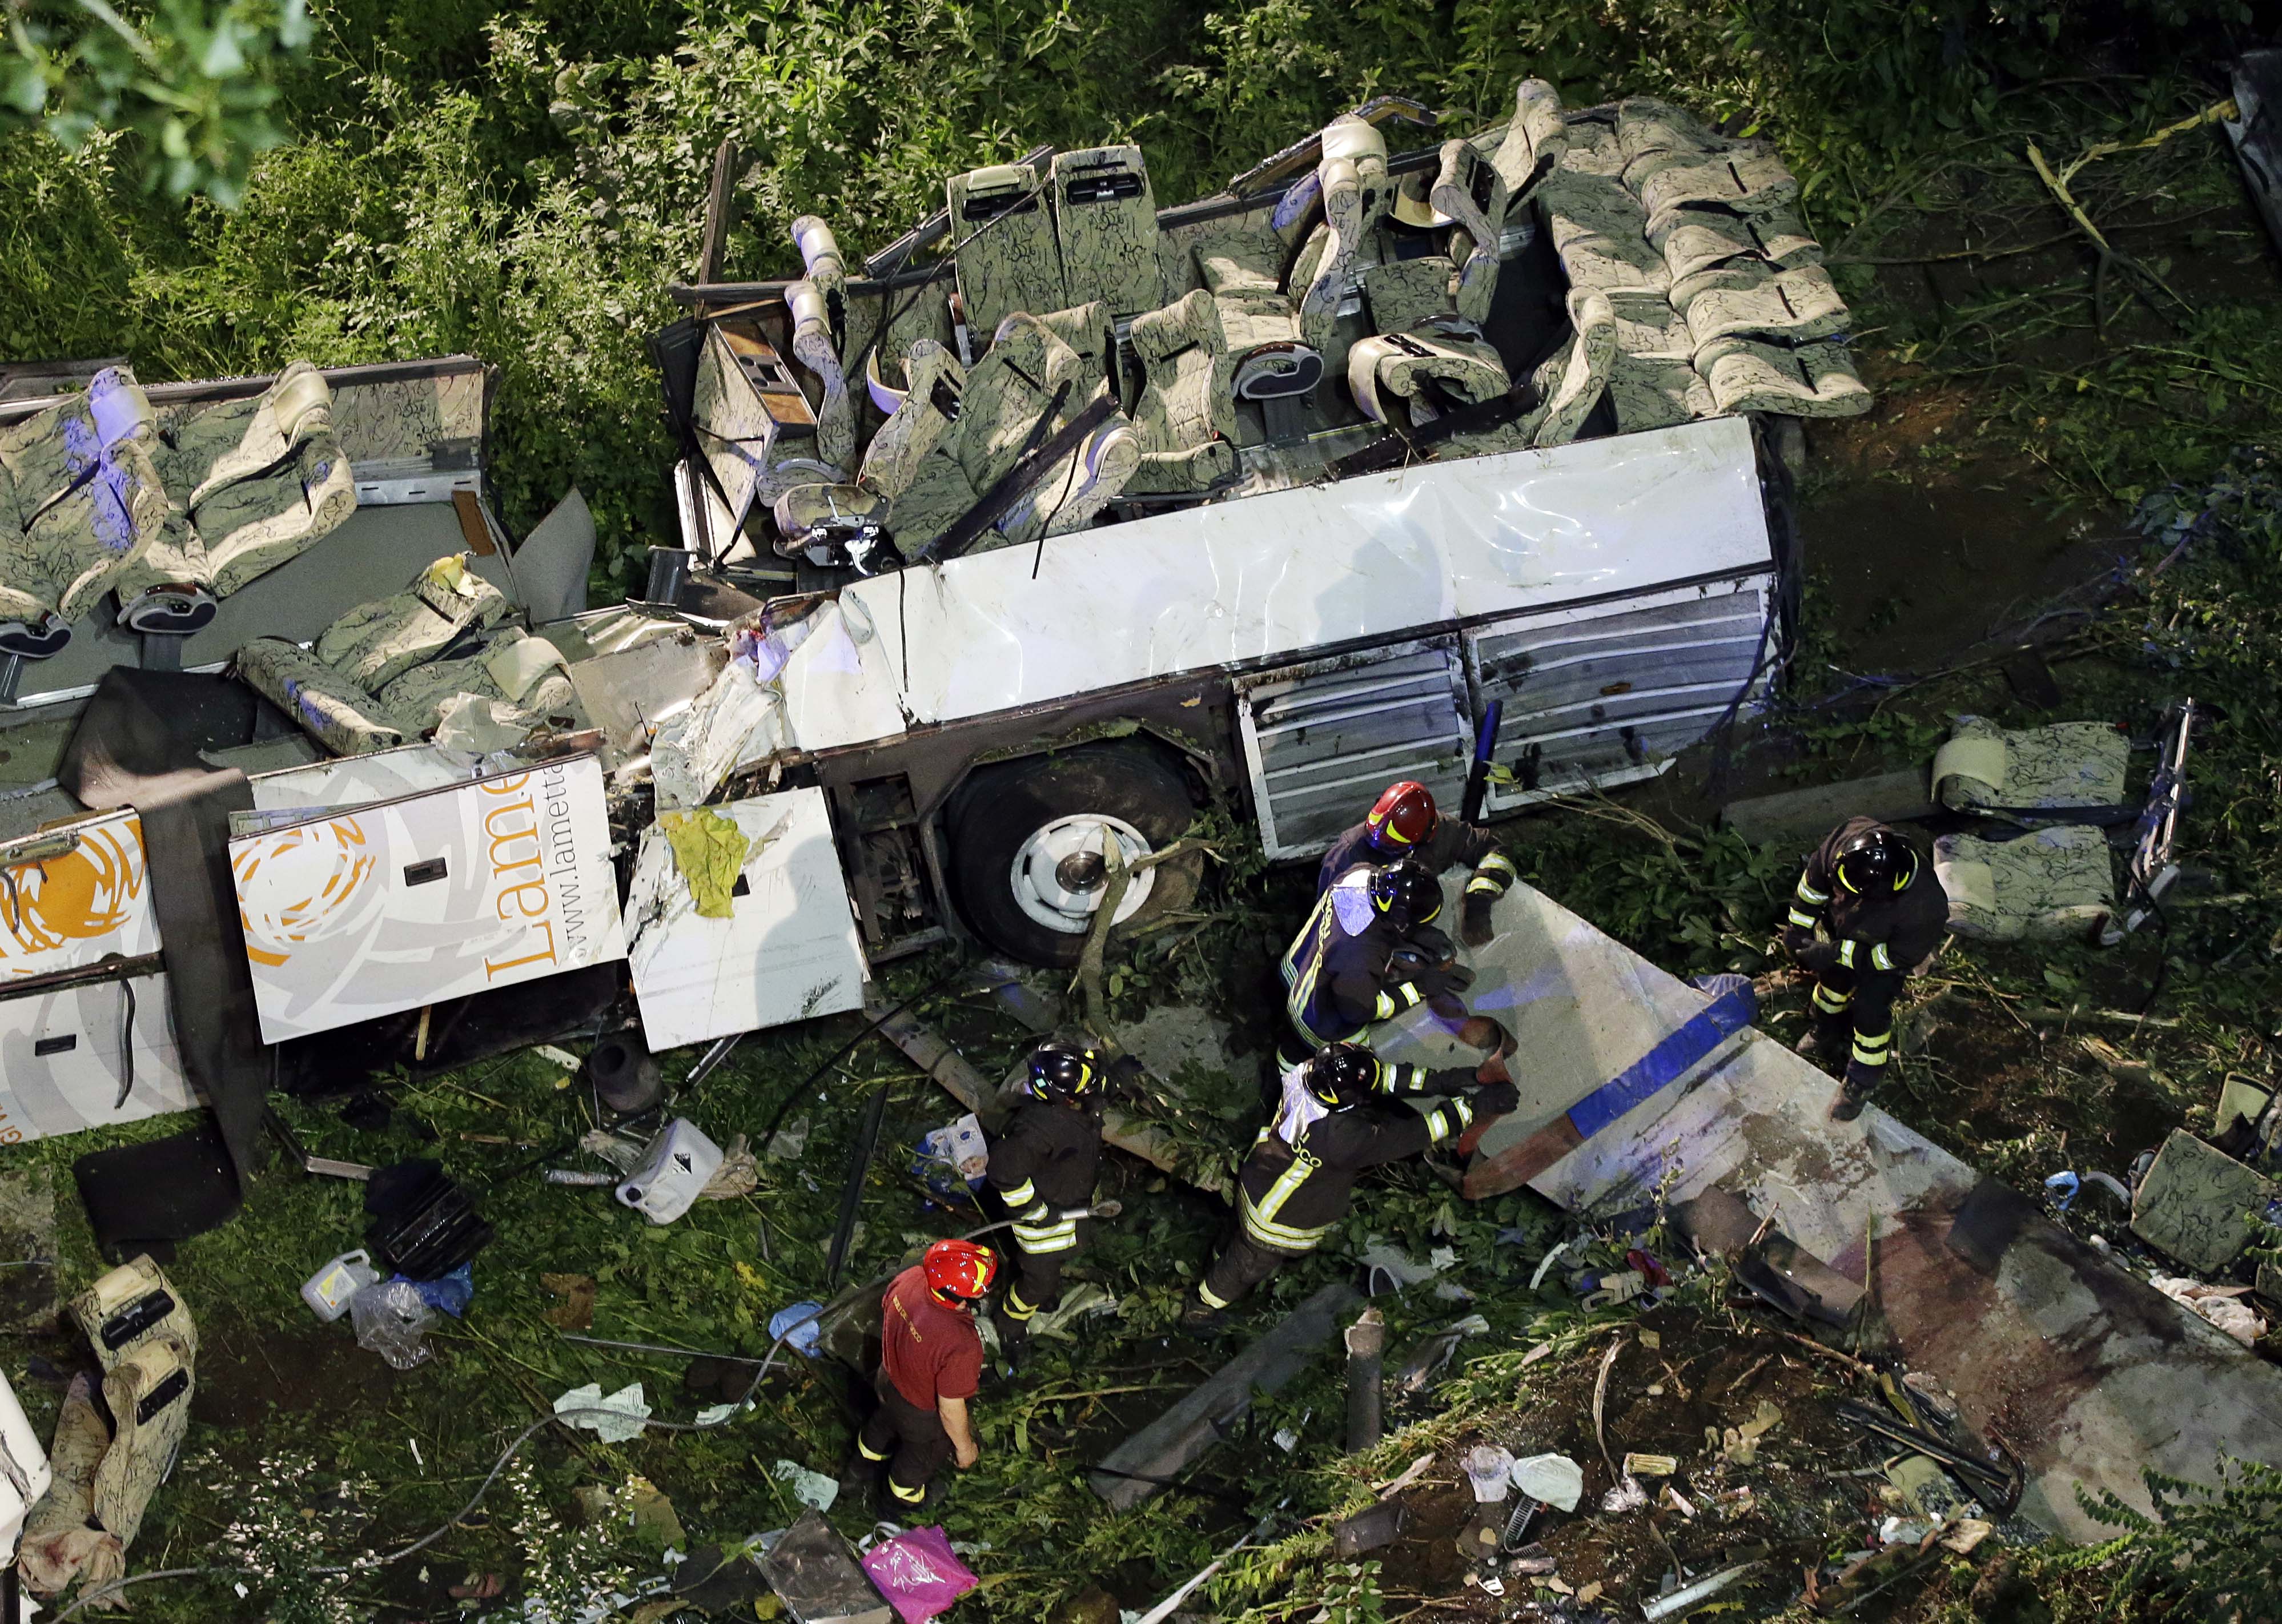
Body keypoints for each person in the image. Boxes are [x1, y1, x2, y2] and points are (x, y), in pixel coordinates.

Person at [1180, 1042, 1518, 1333]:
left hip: (1260, 1177)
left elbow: (1379, 1078)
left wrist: (1448, 1080)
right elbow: (1412, 1135)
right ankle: (1200, 1309)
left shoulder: (1309, 1073)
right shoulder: (1341, 1139)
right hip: (1275, 1223)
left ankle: (1219, 1254)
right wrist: (1474, 1107)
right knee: (1243, 1267)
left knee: (1234, 1240)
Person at [1782, 818, 1947, 1121]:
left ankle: (1862, 1081)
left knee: (1870, 1013)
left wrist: (1836, 953)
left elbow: (1895, 958)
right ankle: (1825, 1031)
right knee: (1831, 987)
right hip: (1843, 930)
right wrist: (1798, 932)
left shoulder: (1926, 906)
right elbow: (1812, 889)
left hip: (1883, 954)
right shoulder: (1843, 843)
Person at [986, 1039, 1112, 1366]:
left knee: (1054, 1266)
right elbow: (1003, 1171)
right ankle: (1011, 1325)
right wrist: (1037, 1212)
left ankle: (1043, 1290)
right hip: (1041, 1227)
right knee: (1038, 1283)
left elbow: (1096, 1097)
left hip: (1068, 1207)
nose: (1090, 1088)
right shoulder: (1039, 1129)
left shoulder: (1072, 1107)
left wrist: (1117, 1077)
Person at [1281, 857, 1472, 1070]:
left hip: (1298, 966)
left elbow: (1379, 921)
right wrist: (1419, 988)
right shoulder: (1360, 955)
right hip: (1316, 1018)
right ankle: (1294, 1074)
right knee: (1360, 1062)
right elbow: (1358, 1011)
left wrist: (1420, 935)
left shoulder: (1361, 874)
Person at [852, 1237, 997, 1511]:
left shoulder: (910, 1278)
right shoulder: (961, 1344)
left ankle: (855, 1474)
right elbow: (950, 1410)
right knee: (918, 1460)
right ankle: (896, 1504)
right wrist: (965, 1449)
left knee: (880, 1427)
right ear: (963, 1294)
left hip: (886, 1381)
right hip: (918, 1415)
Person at [1317, 780, 1519, 947]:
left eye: (1393, 849)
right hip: (1374, 952)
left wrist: (1480, 901)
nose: (1377, 846)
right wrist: (1412, 942)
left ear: (1423, 840)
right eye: (1376, 839)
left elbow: (1496, 852)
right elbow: (1334, 929)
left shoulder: (1442, 833)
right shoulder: (1346, 856)